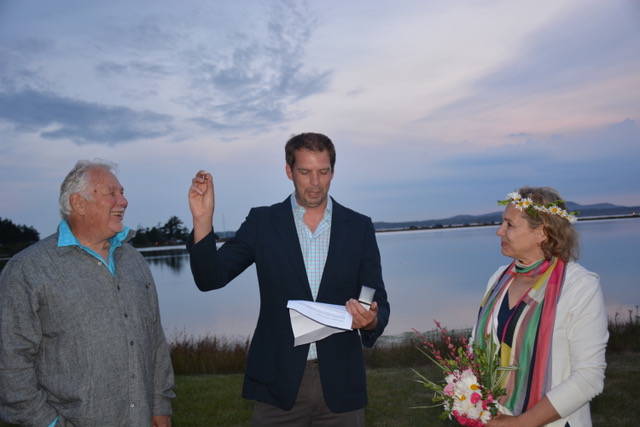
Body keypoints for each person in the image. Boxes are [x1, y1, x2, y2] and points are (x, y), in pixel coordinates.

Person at [187, 132, 390, 426]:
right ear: (288, 171)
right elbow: (210, 278)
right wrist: (203, 221)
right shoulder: (262, 223)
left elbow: (377, 300)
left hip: (342, 386)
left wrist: (370, 319)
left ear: (333, 171)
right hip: (277, 384)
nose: (315, 182)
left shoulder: (359, 227)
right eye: (305, 172)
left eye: (323, 172)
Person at [0, 160, 175, 427]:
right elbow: (10, 364)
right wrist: (50, 424)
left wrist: (160, 403)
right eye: (112, 193)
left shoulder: (134, 261)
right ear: (78, 204)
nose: (124, 201)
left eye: (123, 192)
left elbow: (155, 341)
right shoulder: (27, 270)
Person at [473, 187, 608, 427]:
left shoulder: (579, 287)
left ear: (542, 232)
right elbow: (477, 349)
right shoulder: (498, 279)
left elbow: (589, 377)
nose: (499, 231)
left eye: (509, 225)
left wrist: (521, 423)